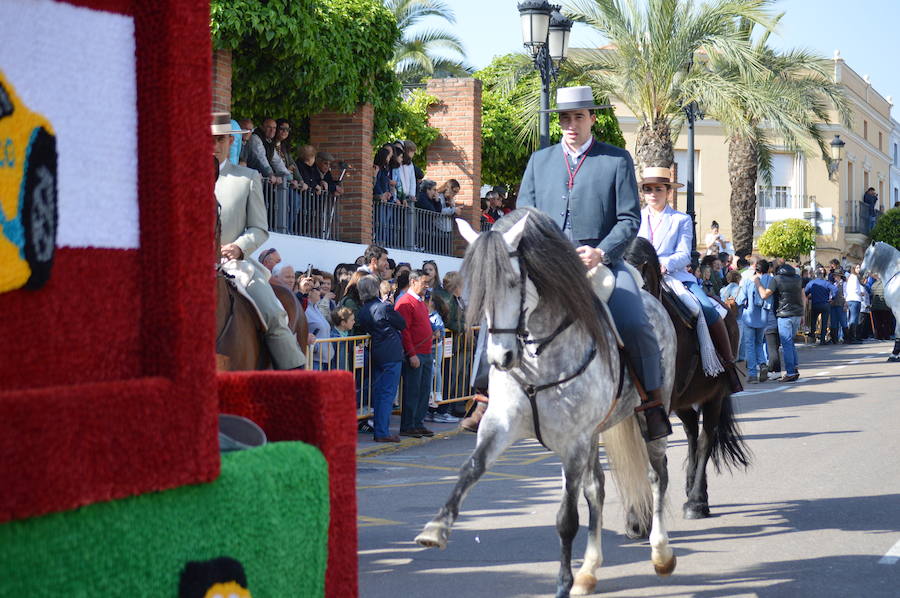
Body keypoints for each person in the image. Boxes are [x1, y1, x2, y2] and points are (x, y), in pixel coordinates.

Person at [517, 86, 673, 440]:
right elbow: (525, 215)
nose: (571, 125)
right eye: (565, 118)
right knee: (501, 309)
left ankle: (651, 404)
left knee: (634, 321)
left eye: (578, 117)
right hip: (549, 266)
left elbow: (629, 219)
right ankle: (485, 396)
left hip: (600, 261)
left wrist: (601, 252)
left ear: (593, 119)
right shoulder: (539, 162)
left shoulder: (616, 159)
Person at [636, 167, 744, 392]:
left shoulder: (680, 220)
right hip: (639, 275)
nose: (653, 194)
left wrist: (665, 265)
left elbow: (686, 253)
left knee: (707, 307)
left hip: (674, 275)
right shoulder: (635, 218)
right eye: (648, 189)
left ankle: (727, 363)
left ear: (668, 192)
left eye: (658, 189)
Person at [211, 112, 305, 369]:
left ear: (231, 142)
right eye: (208, 139)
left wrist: (239, 247)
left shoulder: (247, 178)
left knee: (273, 313)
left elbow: (259, 228)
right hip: (191, 265)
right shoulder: (183, 178)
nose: (214, 145)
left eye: (220, 140)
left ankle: (293, 371)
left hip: (234, 264)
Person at [357, 275, 406, 443]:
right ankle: (382, 431)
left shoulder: (363, 310)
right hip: (391, 353)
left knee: (380, 393)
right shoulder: (383, 308)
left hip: (377, 352)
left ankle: (380, 429)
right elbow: (402, 323)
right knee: (386, 394)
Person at [394, 270, 436, 438]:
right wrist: (411, 354)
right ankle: (408, 425)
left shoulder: (420, 302)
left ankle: (418, 423)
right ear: (413, 282)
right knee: (413, 390)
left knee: (424, 390)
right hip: (416, 353)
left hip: (426, 352)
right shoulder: (405, 302)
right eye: (424, 282)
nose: (426, 286)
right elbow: (404, 331)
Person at [758, 262, 804, 382]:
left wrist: (757, 282)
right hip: (797, 314)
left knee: (786, 343)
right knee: (791, 342)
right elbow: (802, 295)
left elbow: (764, 294)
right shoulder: (798, 279)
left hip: (784, 315)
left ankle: (790, 372)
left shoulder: (776, 279)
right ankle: (794, 368)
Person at [737, 259, 773, 384]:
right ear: (767, 269)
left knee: (749, 345)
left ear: (755, 269)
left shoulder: (748, 281)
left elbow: (740, 299)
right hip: (763, 317)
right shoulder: (770, 281)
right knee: (759, 343)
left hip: (749, 316)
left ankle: (752, 374)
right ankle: (762, 363)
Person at [804, 269, 834, 345]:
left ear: (815, 275)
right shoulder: (826, 283)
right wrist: (832, 298)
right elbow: (835, 289)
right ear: (822, 275)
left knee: (813, 321)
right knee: (824, 323)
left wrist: (809, 295)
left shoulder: (811, 283)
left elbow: (806, 292)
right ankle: (822, 340)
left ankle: (812, 335)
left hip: (815, 304)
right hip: (825, 304)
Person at [844, 264, 865, 344]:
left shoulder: (850, 277)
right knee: (854, 319)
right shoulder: (854, 277)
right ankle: (852, 338)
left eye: (859, 267)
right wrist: (861, 293)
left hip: (850, 299)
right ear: (854, 269)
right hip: (855, 299)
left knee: (851, 319)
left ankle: (850, 337)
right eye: (857, 267)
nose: (859, 269)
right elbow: (855, 289)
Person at [829, 269, 849, 344]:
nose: (835, 277)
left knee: (843, 321)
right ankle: (834, 339)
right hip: (833, 305)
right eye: (834, 276)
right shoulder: (833, 285)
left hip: (841, 304)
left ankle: (846, 338)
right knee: (833, 322)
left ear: (840, 276)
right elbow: (830, 295)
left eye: (836, 276)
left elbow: (847, 295)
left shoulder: (844, 284)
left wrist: (846, 304)